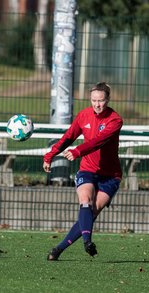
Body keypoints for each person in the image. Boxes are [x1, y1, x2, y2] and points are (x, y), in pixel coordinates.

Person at [43, 82, 123, 260]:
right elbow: (68, 137)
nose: (97, 104)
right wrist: (50, 155)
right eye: (94, 100)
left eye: (101, 101)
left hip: (111, 176)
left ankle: (58, 249)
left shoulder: (115, 120)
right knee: (85, 201)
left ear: (108, 100)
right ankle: (87, 241)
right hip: (87, 169)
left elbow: (99, 141)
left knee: (91, 212)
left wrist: (77, 151)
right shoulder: (84, 115)